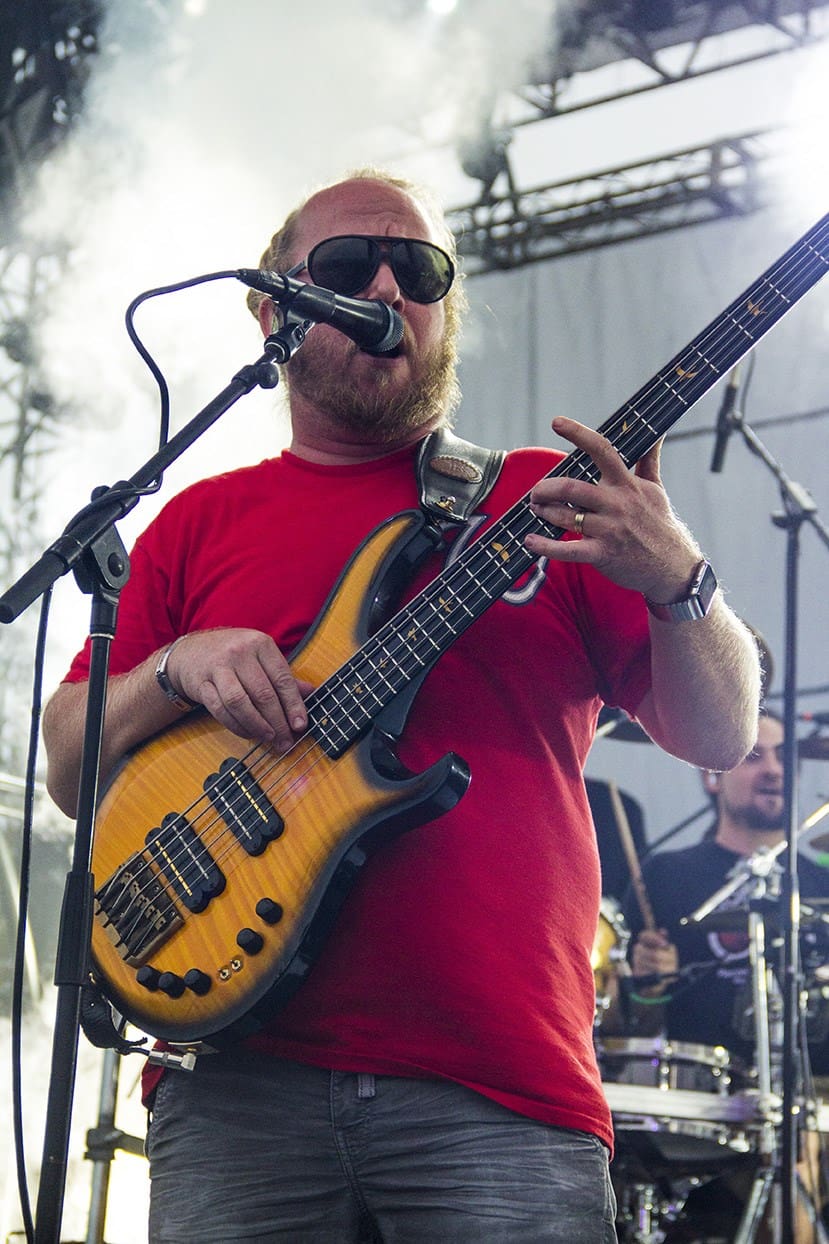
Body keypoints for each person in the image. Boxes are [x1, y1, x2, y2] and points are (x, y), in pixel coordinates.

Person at [42, 167, 760, 1243]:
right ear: (273, 312)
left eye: (420, 271)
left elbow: (722, 732)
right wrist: (176, 665)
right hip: (237, 1081)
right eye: (348, 266)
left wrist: (680, 580)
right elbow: (68, 760)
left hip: (502, 1086)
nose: (387, 288)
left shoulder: (547, 503)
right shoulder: (197, 520)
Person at [616, 710, 829, 1239]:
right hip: (711, 1100)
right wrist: (648, 987)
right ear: (712, 776)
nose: (774, 769)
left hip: (816, 1094)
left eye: (784, 756)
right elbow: (628, 1026)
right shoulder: (666, 876)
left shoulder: (822, 882)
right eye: (754, 756)